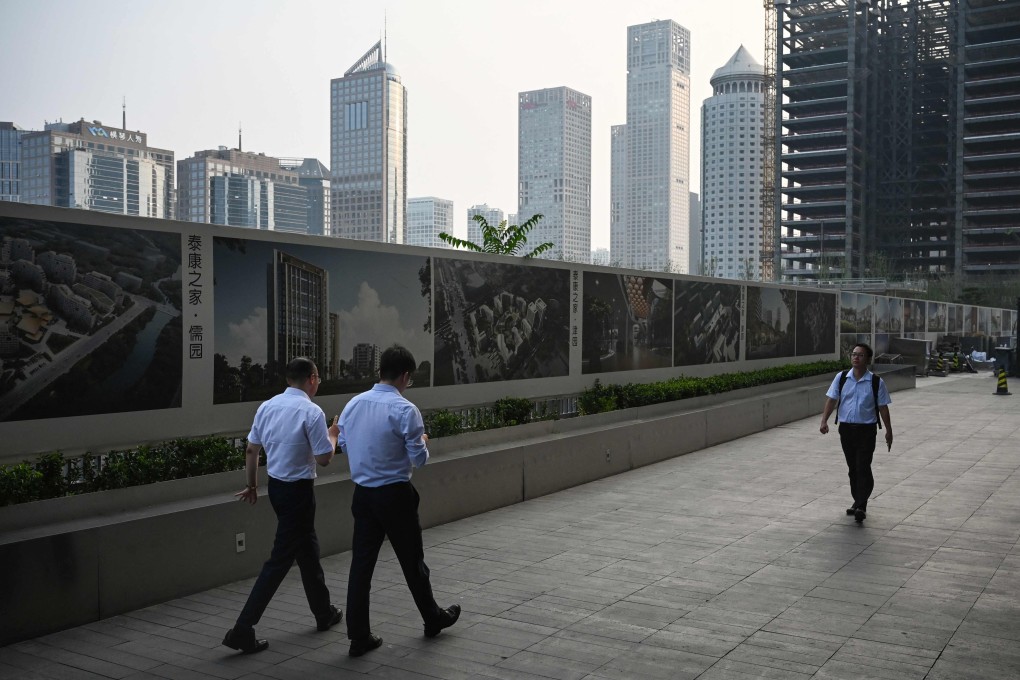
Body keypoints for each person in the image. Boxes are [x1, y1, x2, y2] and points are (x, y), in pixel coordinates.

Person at [338, 345, 460, 658]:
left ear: (380, 372)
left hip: (363, 495)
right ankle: (432, 619)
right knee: (411, 561)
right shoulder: (405, 409)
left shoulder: (353, 405)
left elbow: (347, 445)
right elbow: (419, 460)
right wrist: (422, 442)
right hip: (395, 494)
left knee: (361, 567)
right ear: (405, 376)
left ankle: (358, 637)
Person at [222, 357, 343, 654]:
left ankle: (323, 612)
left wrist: (252, 486)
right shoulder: (311, 412)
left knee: (308, 550)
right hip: (299, 492)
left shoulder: (267, 406)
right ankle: (242, 629)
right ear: (312, 378)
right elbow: (324, 458)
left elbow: (252, 449)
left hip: (276, 489)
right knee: (279, 561)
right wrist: (334, 434)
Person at [819, 343, 893, 523]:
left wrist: (889, 431)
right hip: (846, 429)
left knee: (863, 466)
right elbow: (832, 399)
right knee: (853, 468)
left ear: (868, 359)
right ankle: (857, 501)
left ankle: (861, 505)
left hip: (867, 430)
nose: (855, 357)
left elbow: (883, 407)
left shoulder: (876, 382)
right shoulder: (842, 377)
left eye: (860, 355)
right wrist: (824, 420)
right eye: (853, 354)